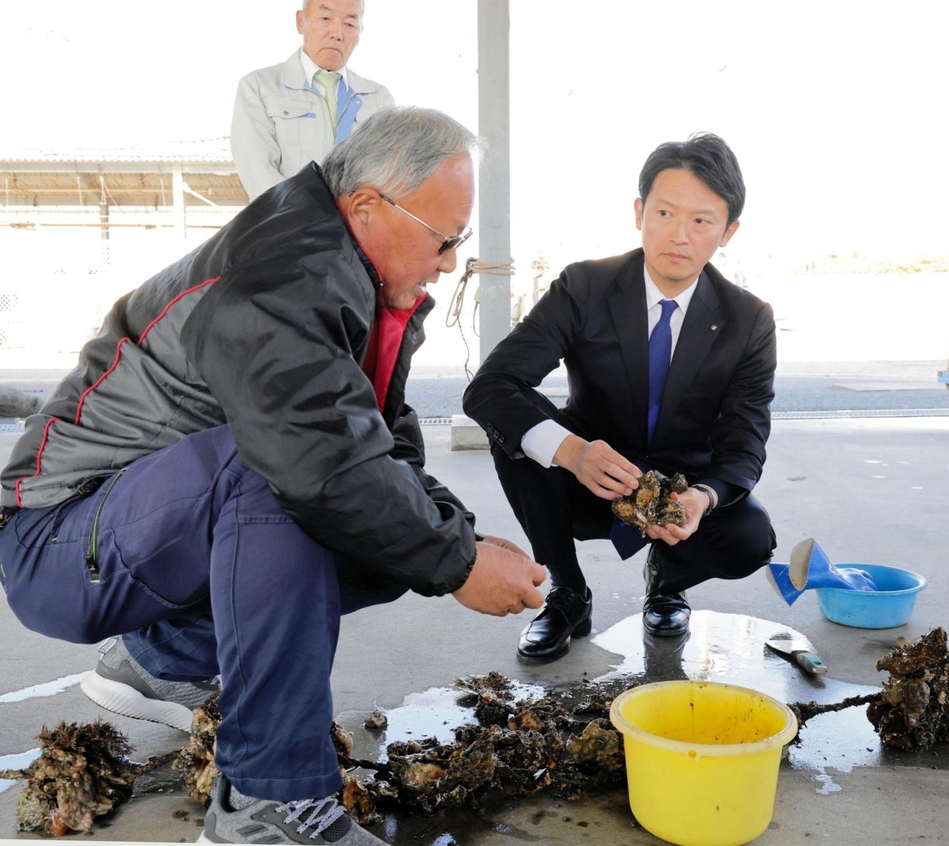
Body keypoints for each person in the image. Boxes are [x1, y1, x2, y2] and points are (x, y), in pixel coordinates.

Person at [0, 107, 546, 845]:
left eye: (459, 243)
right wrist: (457, 564)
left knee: (388, 535)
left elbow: (379, 448)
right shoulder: (284, 279)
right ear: (366, 206)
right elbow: (317, 461)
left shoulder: (360, 280)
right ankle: (266, 805)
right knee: (287, 480)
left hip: (141, 529)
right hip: (61, 540)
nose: (450, 261)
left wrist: (461, 539)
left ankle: (161, 662)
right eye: (444, 239)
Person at [462, 132, 777, 662]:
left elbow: (745, 439)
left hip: (679, 491)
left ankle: (667, 584)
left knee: (751, 535)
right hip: (591, 477)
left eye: (701, 221)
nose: (678, 235)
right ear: (639, 212)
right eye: (664, 213)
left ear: (728, 231)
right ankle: (567, 592)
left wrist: (702, 496)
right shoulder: (585, 286)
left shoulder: (749, 319)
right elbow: (489, 387)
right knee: (518, 425)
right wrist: (572, 452)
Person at [231, 0, 394, 201]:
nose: (337, 33)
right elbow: (258, 173)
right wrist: (309, 219)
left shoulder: (379, 99)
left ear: (360, 32)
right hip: (290, 228)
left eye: (349, 24)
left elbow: (387, 178)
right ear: (301, 22)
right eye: (325, 18)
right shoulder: (259, 87)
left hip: (358, 230)